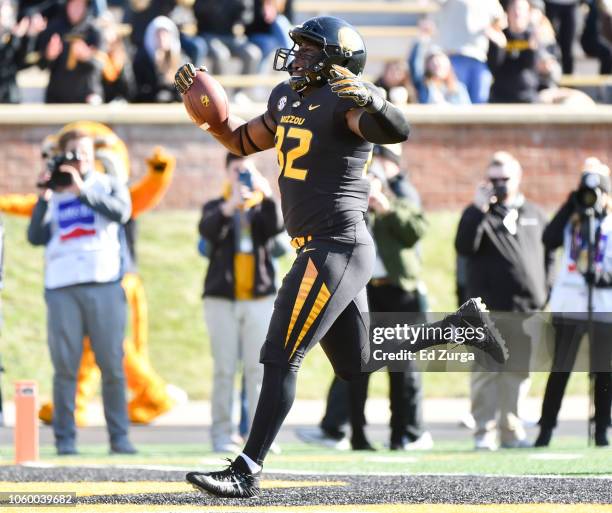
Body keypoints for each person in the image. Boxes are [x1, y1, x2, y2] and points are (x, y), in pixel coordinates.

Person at [175, 16, 506, 498]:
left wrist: (373, 97)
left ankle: (246, 468)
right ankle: (460, 328)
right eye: (299, 48)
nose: (297, 56)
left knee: (281, 354)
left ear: (336, 59)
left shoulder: (344, 102)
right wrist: (210, 117)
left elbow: (396, 129)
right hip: (323, 247)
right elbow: (241, 141)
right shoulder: (288, 98)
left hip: (336, 245)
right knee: (358, 362)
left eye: (309, 49)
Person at [27, 129, 135, 455]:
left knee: (112, 365)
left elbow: (121, 212)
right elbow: (35, 236)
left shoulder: (106, 183)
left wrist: (82, 189)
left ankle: (120, 438)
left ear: (93, 156)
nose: (79, 159)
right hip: (61, 287)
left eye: (84, 153)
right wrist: (44, 195)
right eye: (72, 153)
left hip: (103, 283)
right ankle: (65, 440)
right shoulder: (54, 190)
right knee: (64, 369)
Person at [455, 152, 553, 450]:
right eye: (493, 179)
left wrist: (544, 291)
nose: (499, 185)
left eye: (505, 179)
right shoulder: (478, 213)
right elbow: (463, 246)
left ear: (518, 178)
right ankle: (484, 431)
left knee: (519, 372)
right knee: (485, 373)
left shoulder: (535, 213)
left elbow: (549, 256)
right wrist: (477, 208)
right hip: (487, 308)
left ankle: (511, 431)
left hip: (525, 308)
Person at [199, 153, 283, 453]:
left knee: (257, 370)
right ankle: (222, 434)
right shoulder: (215, 206)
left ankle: (259, 437)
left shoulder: (262, 206)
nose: (242, 176)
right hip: (221, 299)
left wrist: (268, 192)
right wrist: (229, 205)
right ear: (226, 173)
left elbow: (277, 226)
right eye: (236, 171)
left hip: (258, 298)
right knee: (223, 369)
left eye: (247, 171)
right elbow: (207, 231)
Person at [535, 158, 612, 448]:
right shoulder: (571, 220)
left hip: (604, 305)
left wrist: (602, 277)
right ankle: (546, 430)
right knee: (561, 368)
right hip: (569, 304)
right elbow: (548, 238)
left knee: (604, 369)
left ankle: (602, 428)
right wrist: (571, 205)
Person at [432, 0, 505, 103]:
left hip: (479, 59)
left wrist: (491, 31)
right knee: (457, 102)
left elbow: (501, 23)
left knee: (480, 104)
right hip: (454, 55)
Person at [38, 0, 106, 104]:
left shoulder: (94, 31)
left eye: (80, 6)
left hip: (87, 97)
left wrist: (87, 57)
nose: (76, 10)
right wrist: (49, 55)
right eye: (73, 5)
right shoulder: (54, 29)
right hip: (57, 98)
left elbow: (102, 65)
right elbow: (41, 65)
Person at [487, 0, 542, 103]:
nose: (517, 13)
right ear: (508, 11)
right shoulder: (500, 35)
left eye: (521, 9)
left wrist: (532, 46)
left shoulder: (532, 35)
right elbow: (493, 66)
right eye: (514, 9)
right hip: (500, 97)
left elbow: (530, 66)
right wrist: (499, 47)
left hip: (527, 97)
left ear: (527, 13)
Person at [193, 0, 262, 77]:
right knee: (221, 54)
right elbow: (197, 11)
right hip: (209, 34)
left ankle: (242, 89)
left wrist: (240, 23)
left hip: (232, 36)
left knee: (253, 54)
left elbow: (246, 13)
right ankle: (220, 88)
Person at [0, 0, 46, 103]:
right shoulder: (13, 38)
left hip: (10, 97)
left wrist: (30, 35)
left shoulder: (11, 36)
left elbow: (20, 63)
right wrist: (16, 37)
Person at [132, 15, 182, 102]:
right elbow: (137, 91)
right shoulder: (142, 59)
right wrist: (157, 74)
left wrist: (173, 81)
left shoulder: (182, 60)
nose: (161, 39)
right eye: (158, 35)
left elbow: (186, 93)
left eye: (165, 35)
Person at [544, 0, 578, 74]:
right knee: (549, 45)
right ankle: (548, 79)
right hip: (551, 4)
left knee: (568, 48)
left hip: (571, 5)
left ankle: (569, 83)